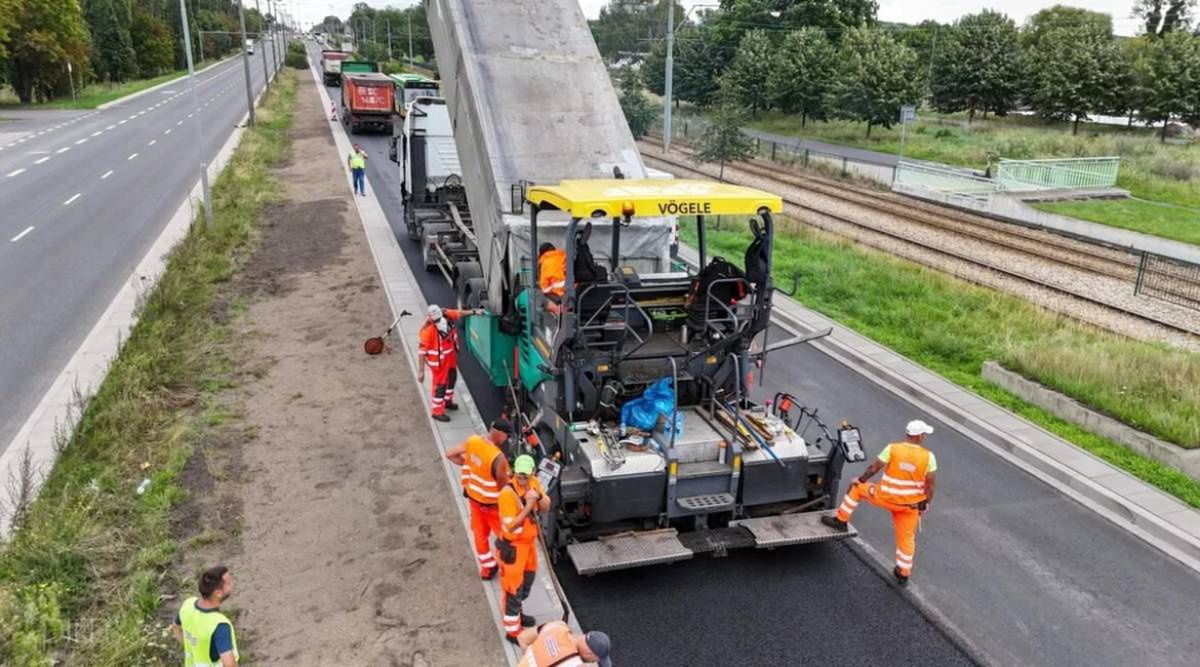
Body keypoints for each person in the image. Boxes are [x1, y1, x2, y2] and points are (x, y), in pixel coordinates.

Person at [822, 419, 938, 587]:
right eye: (924, 434)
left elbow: (874, 468)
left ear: (908, 434)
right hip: (909, 506)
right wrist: (926, 504)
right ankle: (903, 573)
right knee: (906, 539)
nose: (925, 437)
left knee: (857, 489)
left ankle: (840, 521)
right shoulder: (929, 457)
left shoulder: (892, 449)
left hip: (885, 497)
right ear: (919, 436)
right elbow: (931, 485)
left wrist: (860, 480)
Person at [446, 419, 514, 580]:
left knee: (479, 536)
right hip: (493, 507)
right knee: (507, 538)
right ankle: (509, 568)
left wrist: (471, 466)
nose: (506, 440)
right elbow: (505, 488)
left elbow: (450, 454)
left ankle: (488, 568)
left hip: (474, 502)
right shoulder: (498, 458)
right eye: (506, 436)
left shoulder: (473, 441)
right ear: (500, 434)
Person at [497, 454, 550, 642]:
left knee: (526, 582)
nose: (522, 477)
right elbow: (511, 525)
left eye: (525, 474)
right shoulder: (507, 494)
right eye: (519, 474)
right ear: (514, 472)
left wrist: (540, 496)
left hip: (528, 546)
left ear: (533, 472)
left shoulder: (534, 482)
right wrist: (528, 505)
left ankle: (518, 613)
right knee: (513, 589)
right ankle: (513, 632)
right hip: (513, 549)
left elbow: (546, 507)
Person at [417, 304, 481, 421]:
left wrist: (474, 312)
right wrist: (421, 372)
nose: (438, 320)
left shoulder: (446, 314)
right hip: (438, 362)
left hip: (449, 356)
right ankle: (437, 411)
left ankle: (447, 401)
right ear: (430, 318)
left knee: (452, 376)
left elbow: (459, 313)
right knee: (440, 385)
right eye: (435, 319)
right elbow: (421, 352)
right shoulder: (427, 331)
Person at [171, 565, 239, 666]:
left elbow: (175, 628)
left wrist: (192, 647)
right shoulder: (220, 625)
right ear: (218, 593)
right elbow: (229, 664)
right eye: (228, 584)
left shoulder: (188, 604)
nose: (232, 585)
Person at [516, 621, 612, 667]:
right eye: (593, 660)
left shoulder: (557, 626)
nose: (592, 662)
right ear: (588, 653)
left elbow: (522, 638)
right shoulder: (577, 665)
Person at [537, 242, 566, 314]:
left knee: (538, 296)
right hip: (575, 292)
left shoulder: (545, 262)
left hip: (561, 295)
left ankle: (559, 311)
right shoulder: (565, 256)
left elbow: (545, 288)